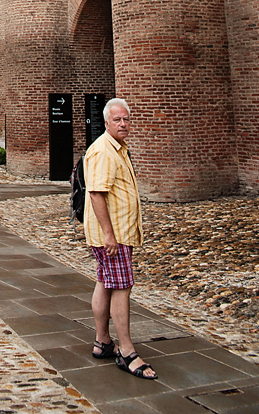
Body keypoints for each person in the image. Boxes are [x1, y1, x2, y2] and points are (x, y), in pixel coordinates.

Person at [84, 97, 157, 380]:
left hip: (115, 232)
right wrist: (109, 235)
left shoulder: (117, 148)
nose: (124, 124)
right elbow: (96, 193)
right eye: (117, 120)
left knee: (105, 282)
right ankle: (127, 352)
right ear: (106, 123)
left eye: (126, 119)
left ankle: (102, 342)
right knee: (122, 287)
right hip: (113, 236)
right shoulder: (103, 150)